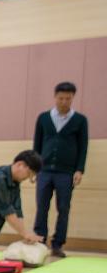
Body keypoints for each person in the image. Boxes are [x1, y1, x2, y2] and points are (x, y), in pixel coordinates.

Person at [32, 82, 89, 258]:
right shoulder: (43, 118)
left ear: (72, 98)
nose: (64, 101)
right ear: (55, 97)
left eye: (68, 98)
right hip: (44, 171)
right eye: (61, 98)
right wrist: (34, 168)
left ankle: (57, 245)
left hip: (66, 173)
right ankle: (40, 241)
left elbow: (83, 147)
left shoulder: (80, 120)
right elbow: (37, 144)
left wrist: (79, 170)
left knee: (63, 208)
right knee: (42, 207)